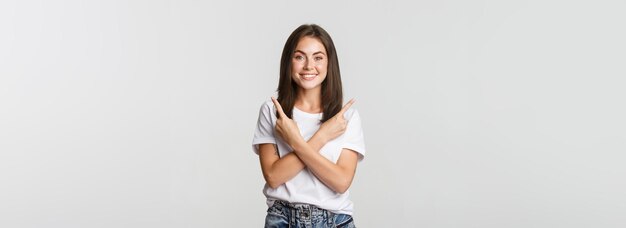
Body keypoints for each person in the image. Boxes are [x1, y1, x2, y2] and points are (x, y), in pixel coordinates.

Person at [252, 24, 366, 228]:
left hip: (335, 221)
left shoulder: (345, 117)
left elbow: (341, 182)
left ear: (329, 63)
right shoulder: (272, 111)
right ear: (289, 61)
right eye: (299, 57)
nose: (308, 66)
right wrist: (322, 136)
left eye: (318, 57)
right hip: (282, 220)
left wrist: (295, 141)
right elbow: (273, 176)